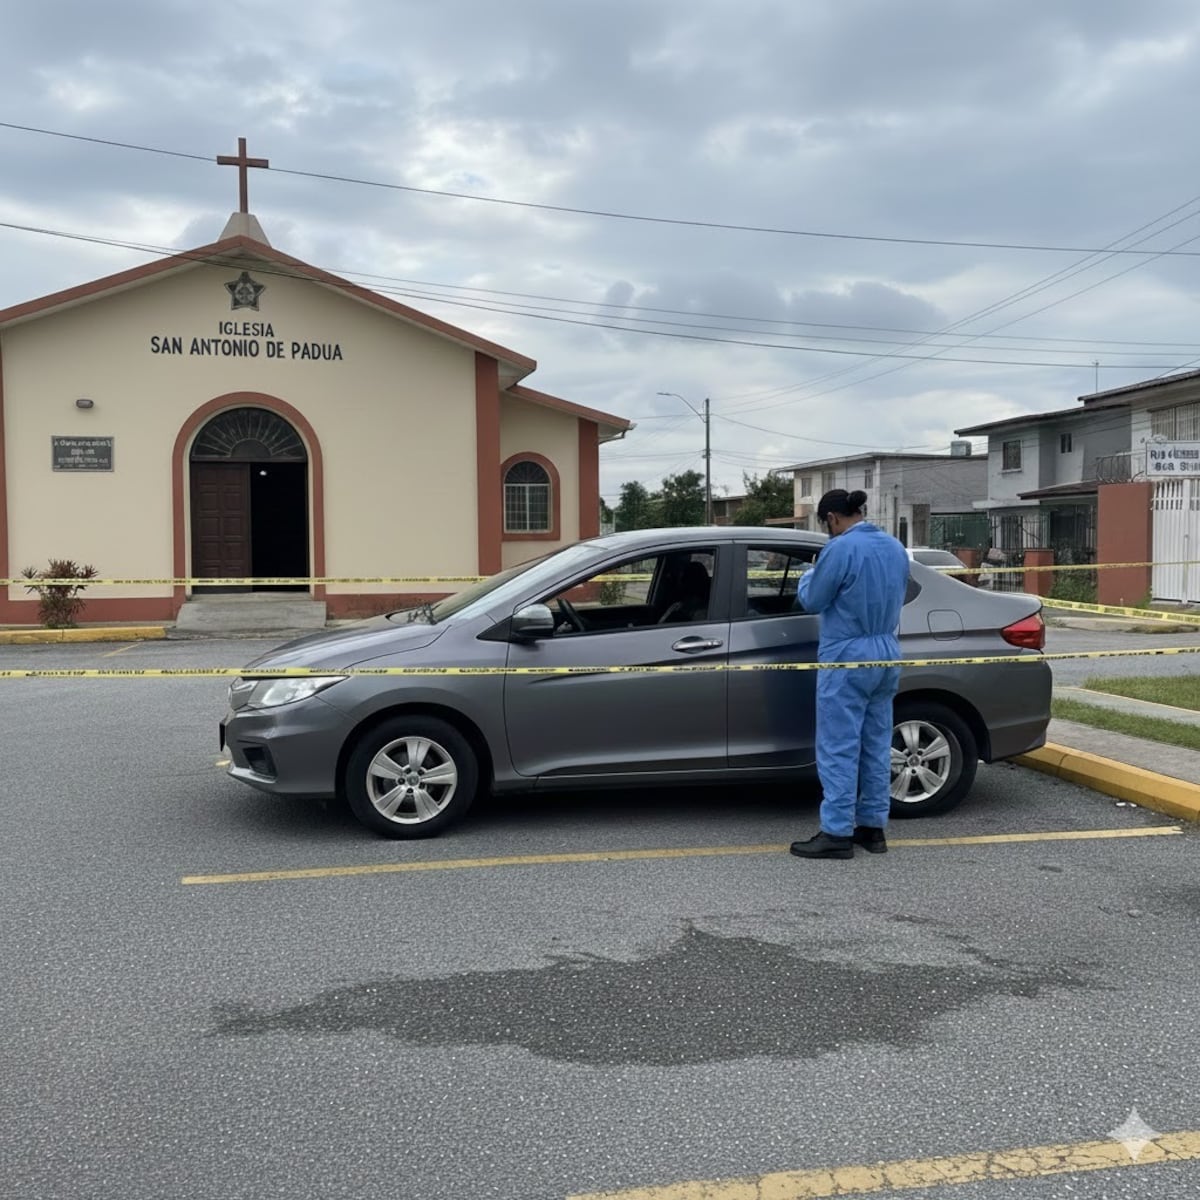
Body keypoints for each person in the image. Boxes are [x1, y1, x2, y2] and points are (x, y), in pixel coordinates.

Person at [790, 489, 910, 860]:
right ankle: (873, 828)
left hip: (846, 653)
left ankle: (836, 832)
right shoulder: (893, 547)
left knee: (839, 746)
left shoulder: (839, 549)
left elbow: (813, 600)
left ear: (831, 519)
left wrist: (808, 574)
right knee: (876, 743)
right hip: (886, 650)